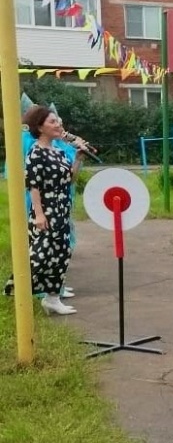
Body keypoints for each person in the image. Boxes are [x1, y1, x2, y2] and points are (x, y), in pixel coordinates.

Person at [22, 105, 84, 315]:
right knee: (40, 255)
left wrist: (77, 159)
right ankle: (18, 289)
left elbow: (70, 179)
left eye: (57, 121)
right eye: (52, 122)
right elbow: (33, 185)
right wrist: (39, 214)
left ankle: (52, 298)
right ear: (40, 127)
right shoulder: (35, 152)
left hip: (61, 209)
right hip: (46, 212)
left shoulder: (57, 151)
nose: (58, 125)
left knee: (61, 253)